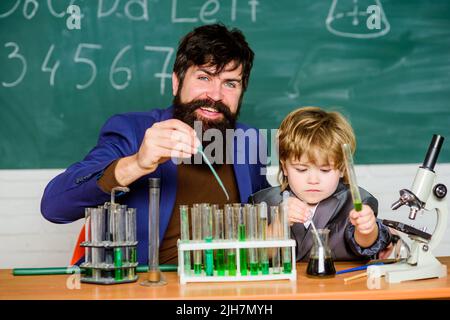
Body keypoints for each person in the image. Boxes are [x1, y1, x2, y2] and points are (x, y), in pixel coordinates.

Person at [41, 24, 270, 265]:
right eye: (204, 77)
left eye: (230, 83)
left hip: (226, 286)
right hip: (143, 287)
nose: (215, 95)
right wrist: (136, 164)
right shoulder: (133, 131)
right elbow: (54, 207)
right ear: (176, 82)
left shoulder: (249, 141)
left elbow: (269, 214)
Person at [249, 107, 392, 261]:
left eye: (325, 170)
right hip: (282, 285)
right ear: (284, 167)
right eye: (301, 169)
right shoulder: (263, 203)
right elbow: (258, 256)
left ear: (343, 168)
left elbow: (365, 244)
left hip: (339, 284)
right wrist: (279, 222)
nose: (313, 180)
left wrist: (367, 230)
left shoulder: (356, 201)